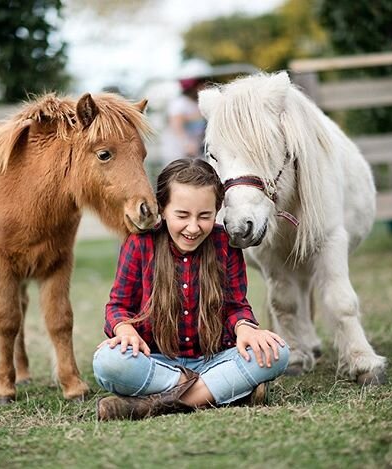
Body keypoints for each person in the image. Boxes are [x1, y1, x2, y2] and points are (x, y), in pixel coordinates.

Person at [93, 158, 290, 421]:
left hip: (213, 357)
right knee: (108, 362)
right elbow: (118, 306)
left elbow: (235, 306)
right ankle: (219, 390)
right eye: (182, 215)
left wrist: (245, 328)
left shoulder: (224, 243)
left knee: (278, 352)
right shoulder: (140, 243)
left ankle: (151, 405)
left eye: (205, 216)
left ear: (217, 210)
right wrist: (124, 329)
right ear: (162, 208)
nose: (194, 227)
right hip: (157, 360)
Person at [159, 78, 207, 165]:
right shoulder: (179, 103)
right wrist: (187, 144)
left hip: (195, 151)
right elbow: (176, 124)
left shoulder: (196, 103)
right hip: (178, 151)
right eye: (201, 84)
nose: (204, 87)